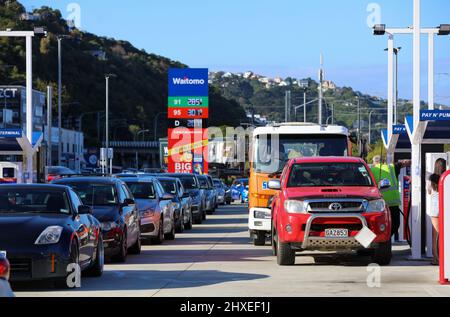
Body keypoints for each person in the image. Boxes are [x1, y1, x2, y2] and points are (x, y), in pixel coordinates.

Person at [371, 155, 411, 239]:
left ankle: (379, 240)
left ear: (374, 163)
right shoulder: (392, 167)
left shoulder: (371, 170)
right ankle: (386, 239)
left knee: (377, 226)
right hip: (393, 204)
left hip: (378, 205)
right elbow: (405, 162)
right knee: (395, 225)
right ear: (383, 161)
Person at [428, 174, 441, 265]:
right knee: (441, 236)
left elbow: (428, 191)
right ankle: (440, 257)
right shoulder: (444, 182)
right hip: (442, 210)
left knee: (435, 237)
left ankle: (436, 259)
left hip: (434, 212)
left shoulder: (432, 184)